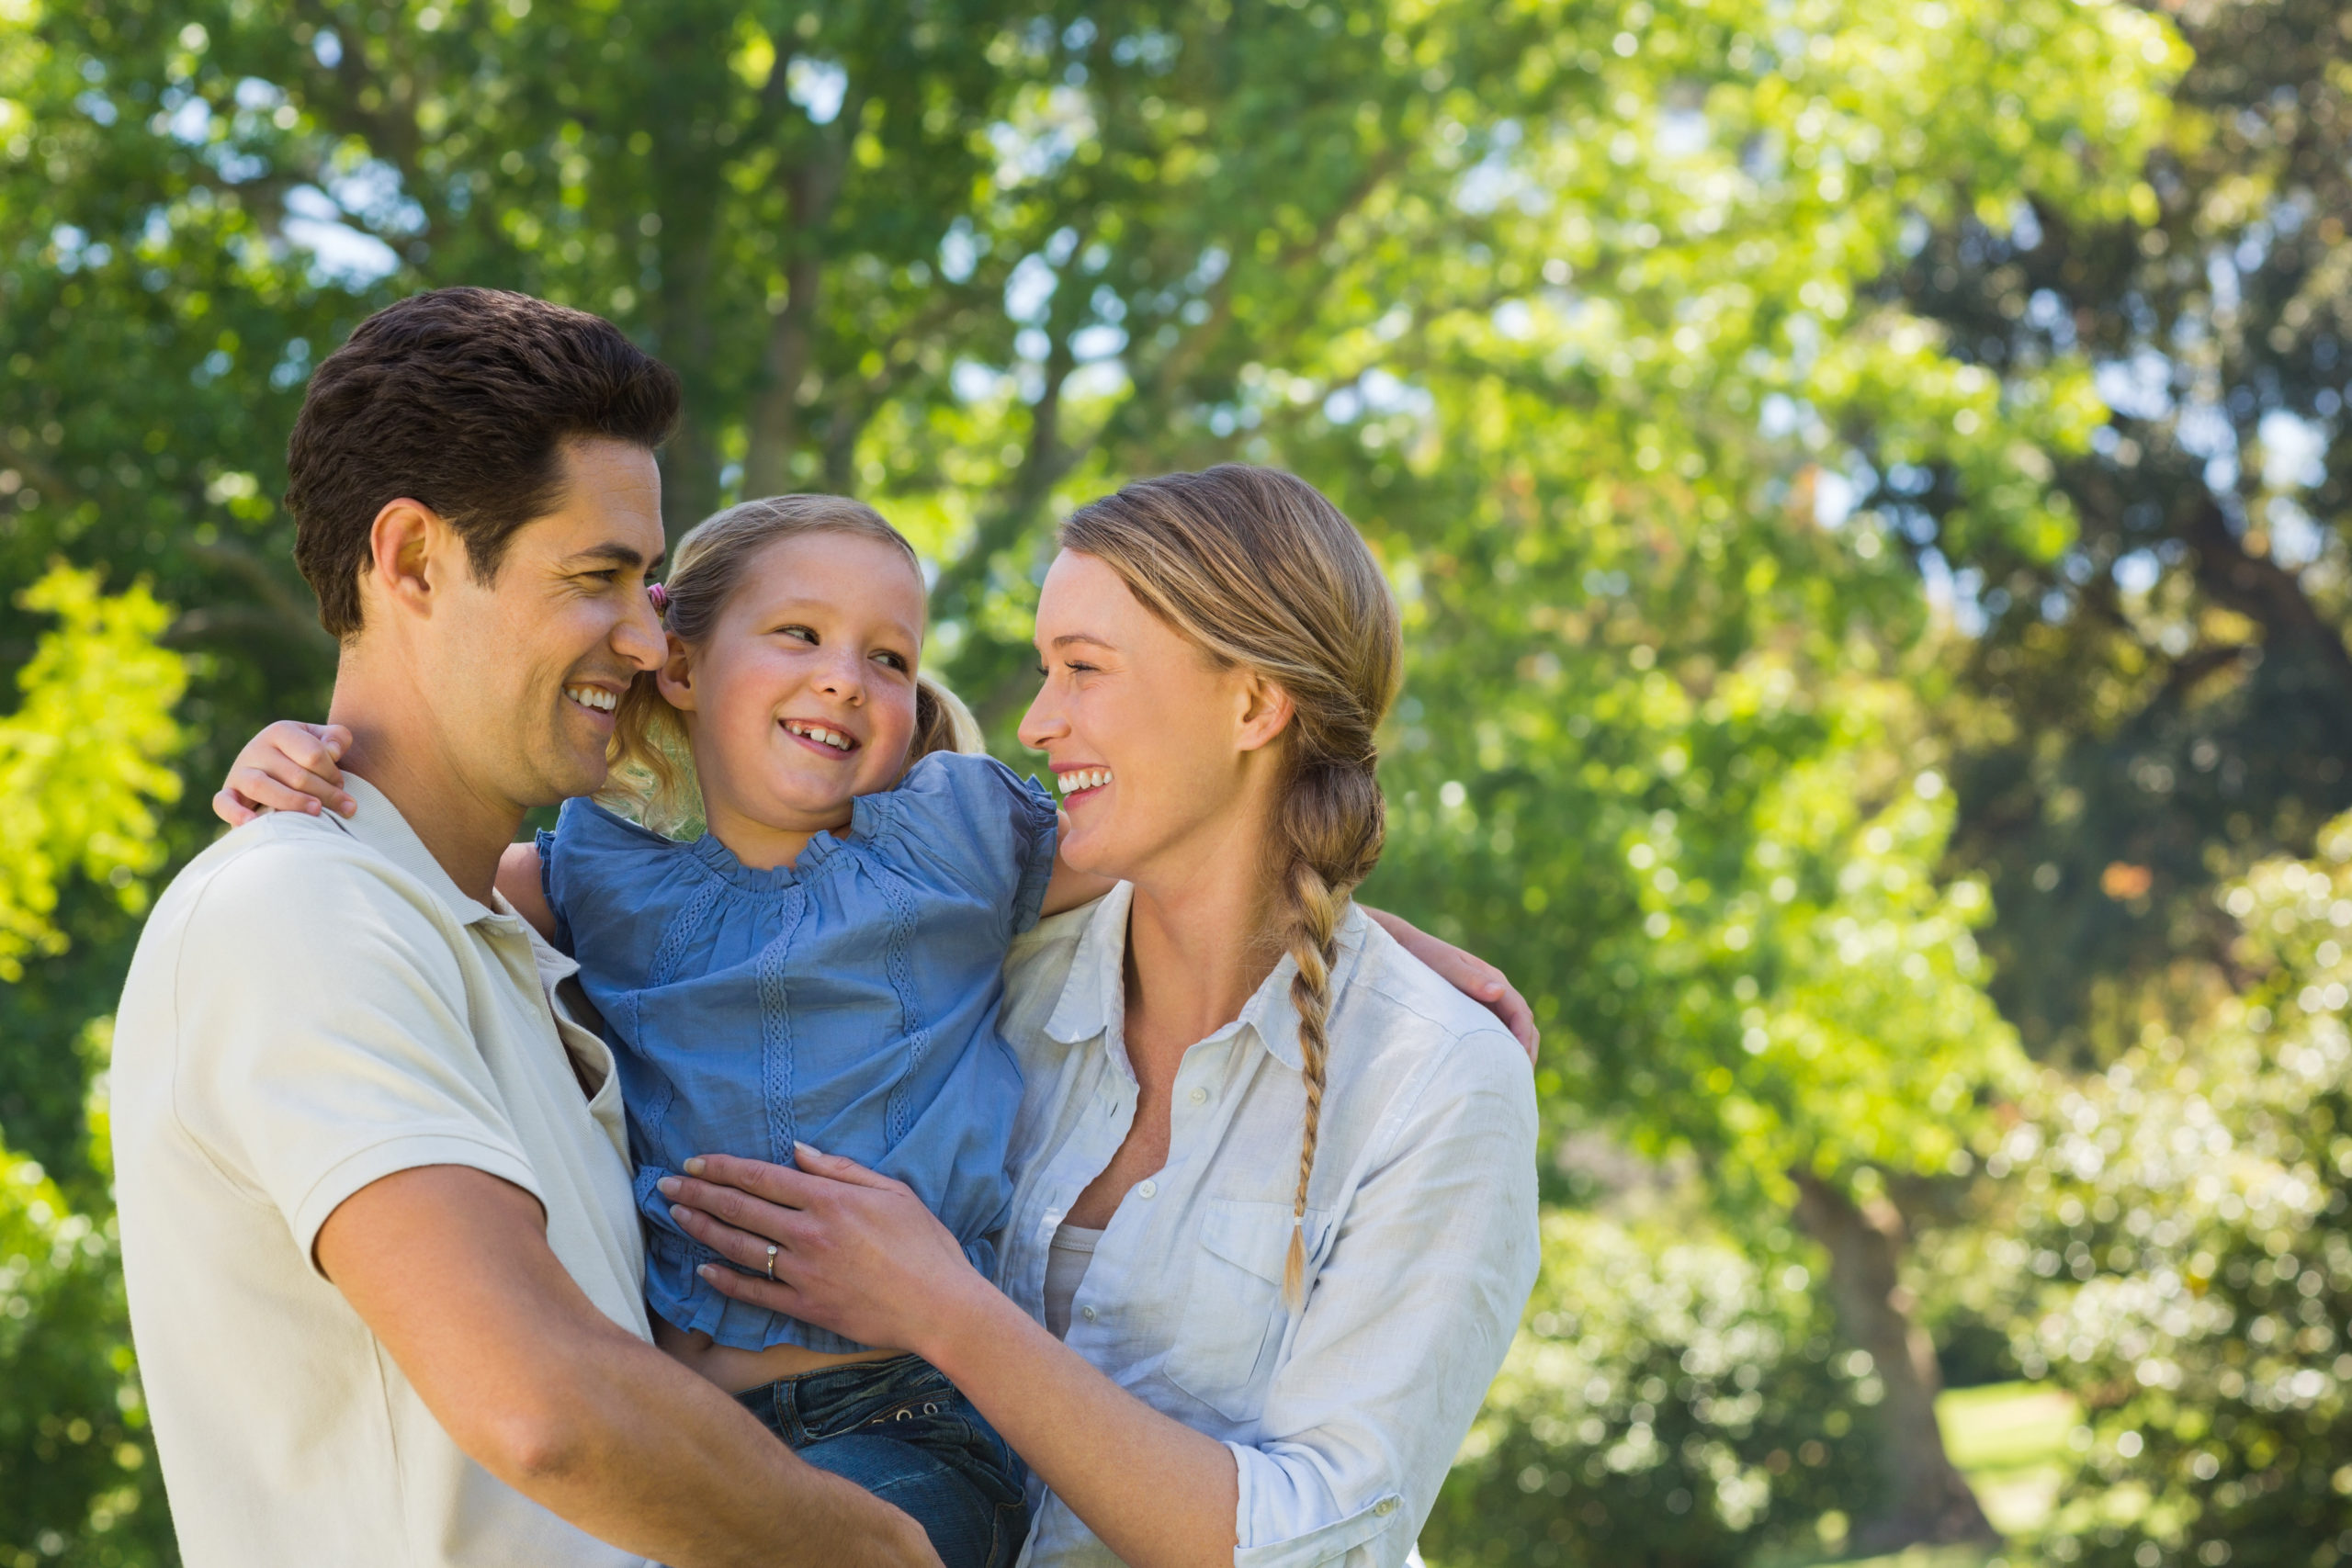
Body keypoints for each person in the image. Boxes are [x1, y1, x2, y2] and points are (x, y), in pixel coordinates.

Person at [111, 288, 938, 1568]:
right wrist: (889, 1552)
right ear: (413, 560)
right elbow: (544, 1403)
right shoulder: (299, 906)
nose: (648, 634)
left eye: (651, 584)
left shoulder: (512, 938)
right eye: (596, 578)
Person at [656, 466, 1542, 1568]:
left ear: (1254, 704)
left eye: (1083, 670)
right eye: (1043, 671)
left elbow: (1318, 1541)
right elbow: (720, 910)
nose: (1035, 721)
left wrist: (949, 1315)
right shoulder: (978, 967)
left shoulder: (1435, 1076)